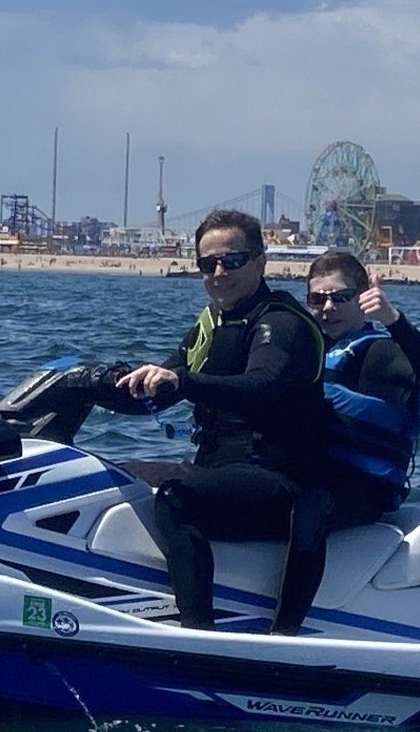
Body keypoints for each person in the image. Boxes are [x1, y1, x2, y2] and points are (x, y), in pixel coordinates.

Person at [114, 210, 331, 634]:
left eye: (232, 261)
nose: (219, 272)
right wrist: (103, 383)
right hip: (220, 469)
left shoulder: (281, 323)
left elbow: (262, 382)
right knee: (110, 477)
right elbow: (168, 380)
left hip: (277, 479)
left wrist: (184, 381)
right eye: (207, 264)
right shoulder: (211, 325)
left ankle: (198, 630)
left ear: (260, 261)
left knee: (175, 497)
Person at [303, 252, 420, 526]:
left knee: (306, 506)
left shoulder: (379, 353)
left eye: (340, 297)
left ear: (363, 298)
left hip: (363, 488)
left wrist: (392, 319)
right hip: (312, 475)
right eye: (317, 299)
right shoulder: (303, 351)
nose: (327, 307)